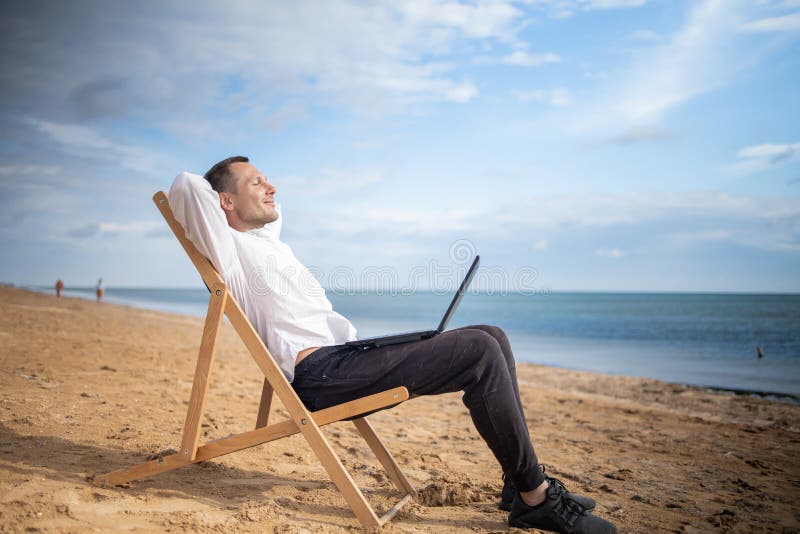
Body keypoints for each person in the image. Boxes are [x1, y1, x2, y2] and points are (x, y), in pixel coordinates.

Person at [168, 156, 616, 533]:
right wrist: (224, 189)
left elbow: (271, 211)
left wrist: (248, 189)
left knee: (492, 335)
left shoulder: (267, 242)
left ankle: (516, 482)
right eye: (256, 181)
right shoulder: (228, 247)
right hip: (322, 375)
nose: (272, 187)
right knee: (479, 352)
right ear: (223, 202)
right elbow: (186, 187)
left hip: (346, 357)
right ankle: (536, 498)